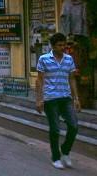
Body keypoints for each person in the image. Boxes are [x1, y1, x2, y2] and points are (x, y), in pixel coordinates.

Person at [36, 32, 81, 170]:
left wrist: (76, 98)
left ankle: (65, 151)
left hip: (65, 97)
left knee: (74, 126)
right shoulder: (44, 59)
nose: (63, 47)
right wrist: (39, 99)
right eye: (60, 45)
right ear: (53, 46)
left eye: (64, 45)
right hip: (51, 99)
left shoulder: (69, 59)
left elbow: (72, 79)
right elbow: (40, 80)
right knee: (55, 129)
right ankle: (56, 157)